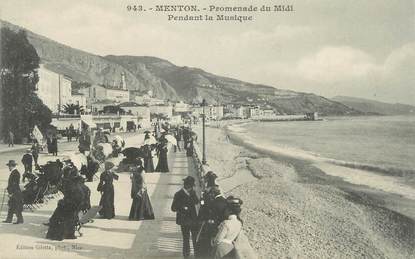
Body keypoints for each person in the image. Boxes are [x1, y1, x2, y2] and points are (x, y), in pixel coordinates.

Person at [171, 176, 200, 258]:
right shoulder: (178, 194)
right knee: (186, 238)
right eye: (191, 187)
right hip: (184, 221)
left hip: (193, 220)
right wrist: (182, 207)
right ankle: (186, 255)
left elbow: (197, 201)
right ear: (188, 186)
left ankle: (196, 255)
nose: (192, 188)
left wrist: (194, 195)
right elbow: (173, 208)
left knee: (195, 238)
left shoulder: (192, 193)